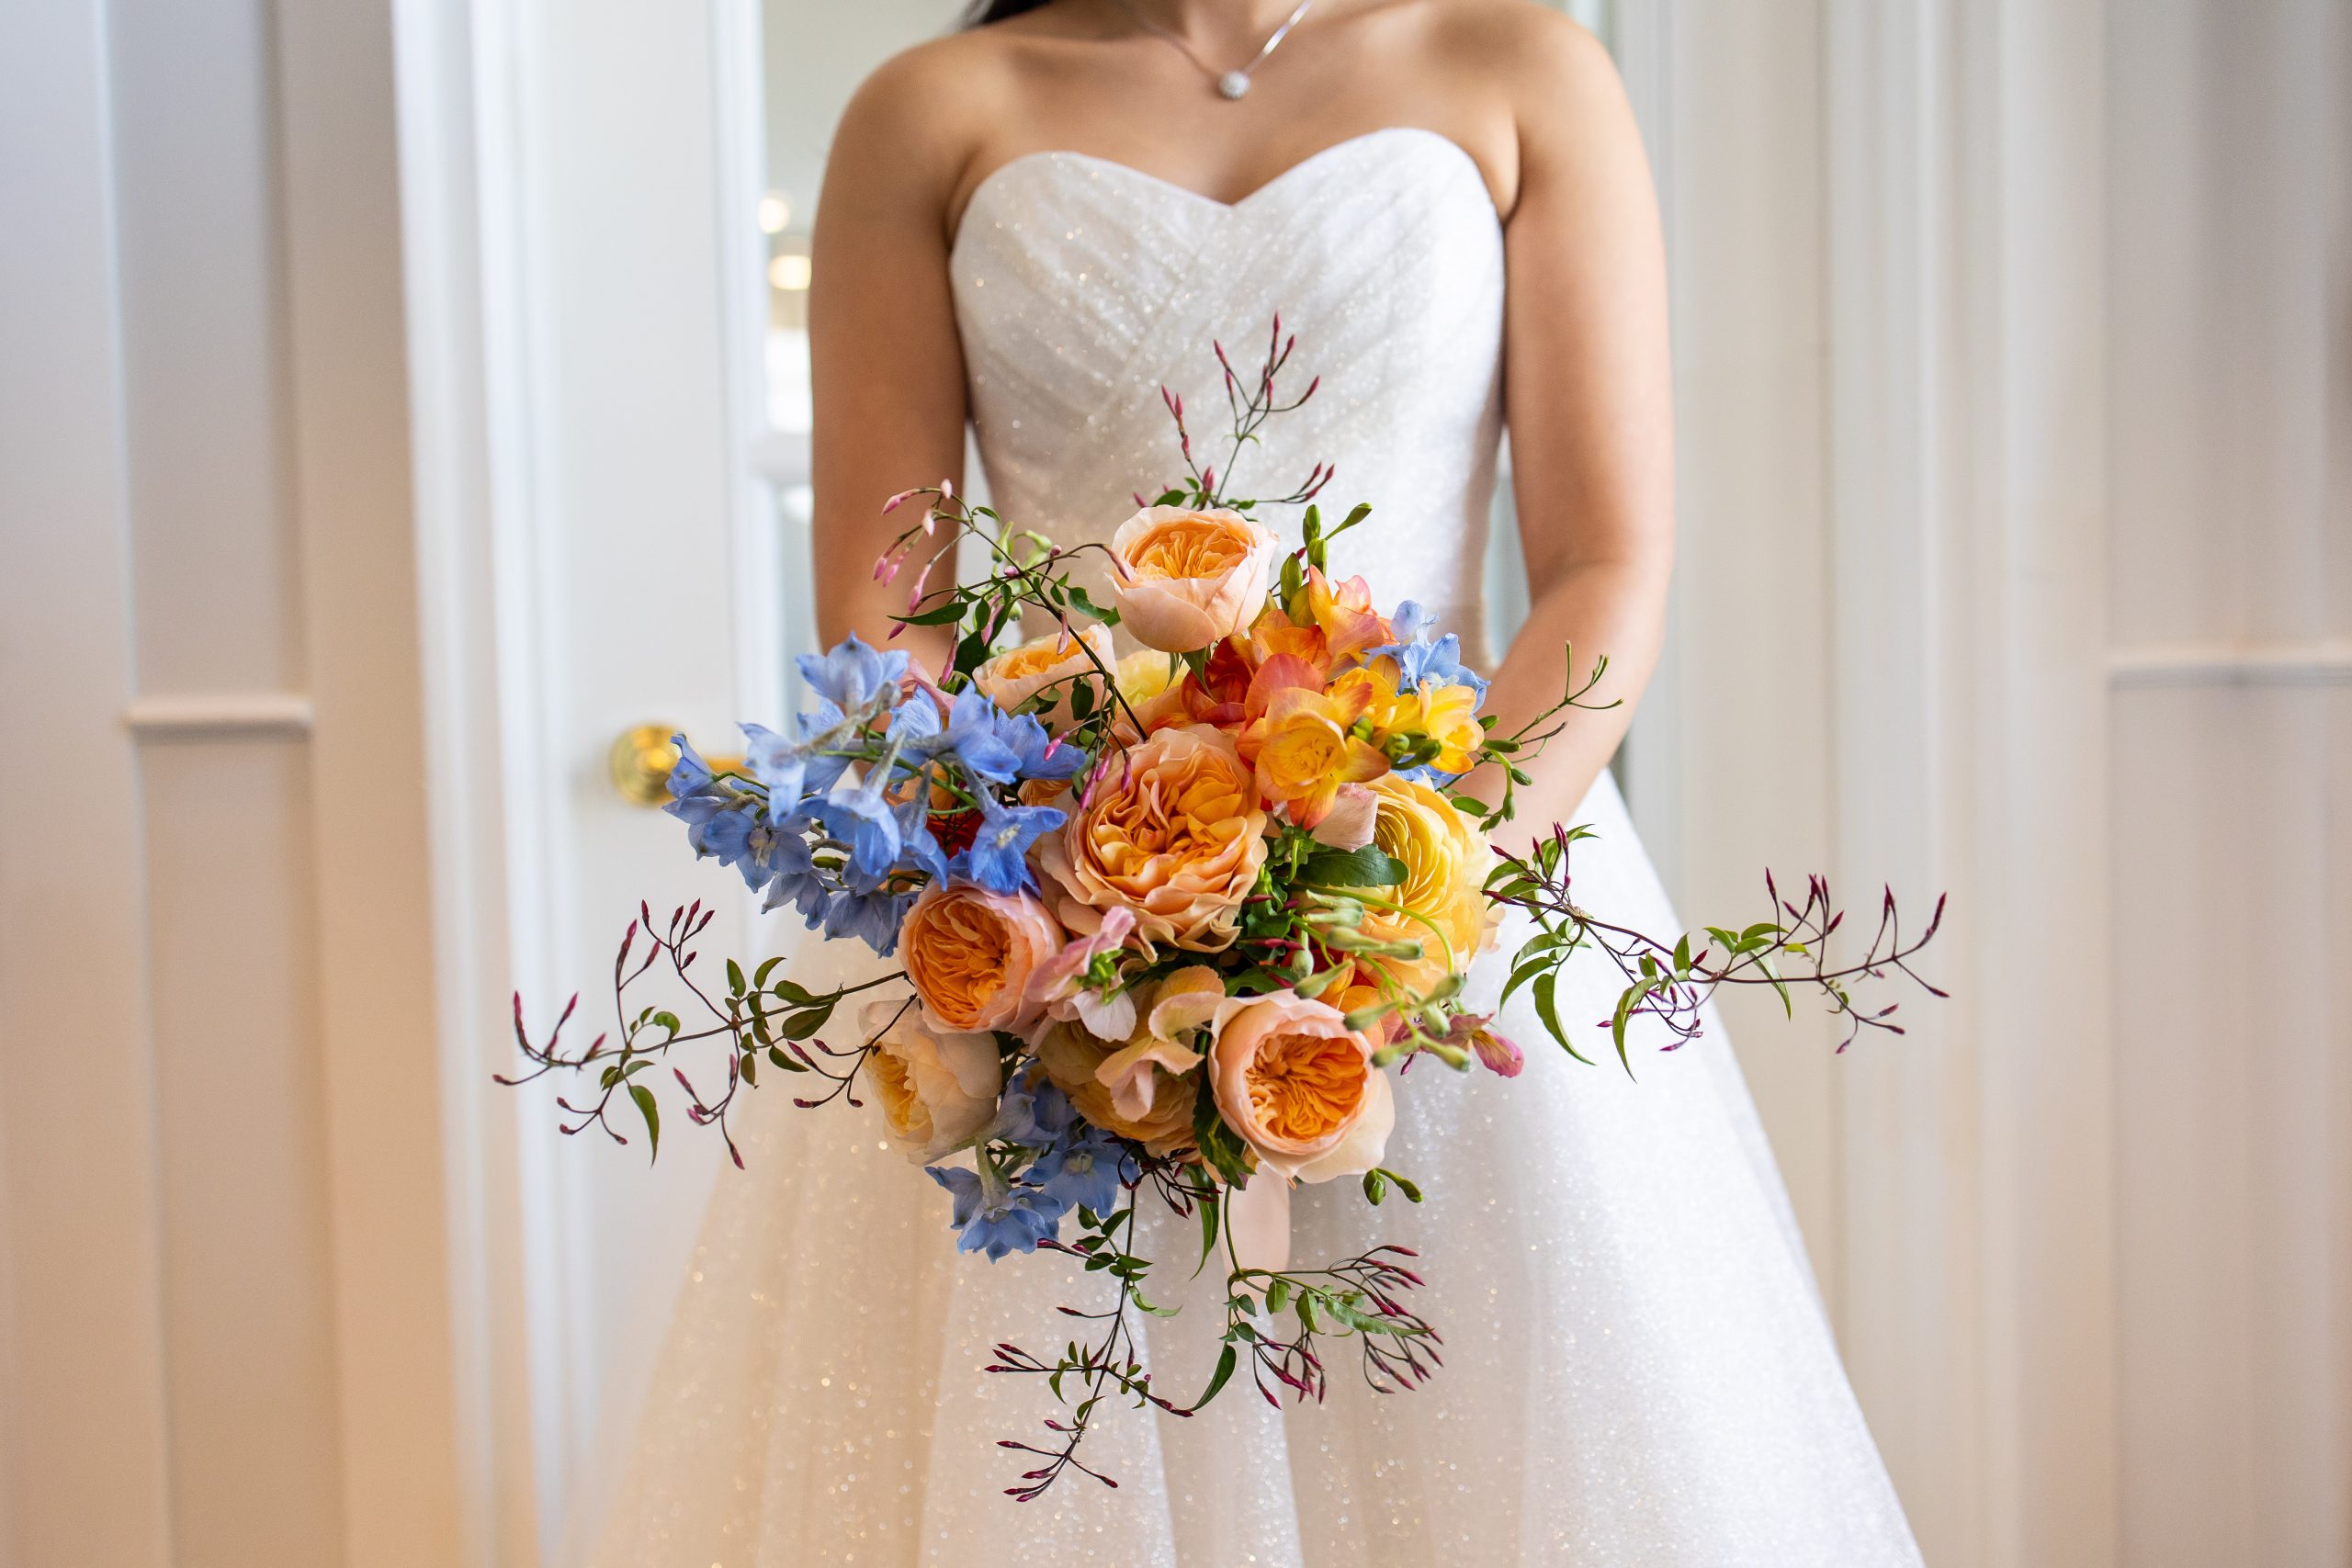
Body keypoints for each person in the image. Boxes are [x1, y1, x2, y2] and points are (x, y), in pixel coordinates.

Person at [588, 4, 1922, 1562]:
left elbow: (1605, 560)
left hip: (1461, 896)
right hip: (1048, 914)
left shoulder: (1520, 66)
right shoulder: (931, 109)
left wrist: (1406, 894)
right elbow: (891, 623)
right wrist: (1061, 922)